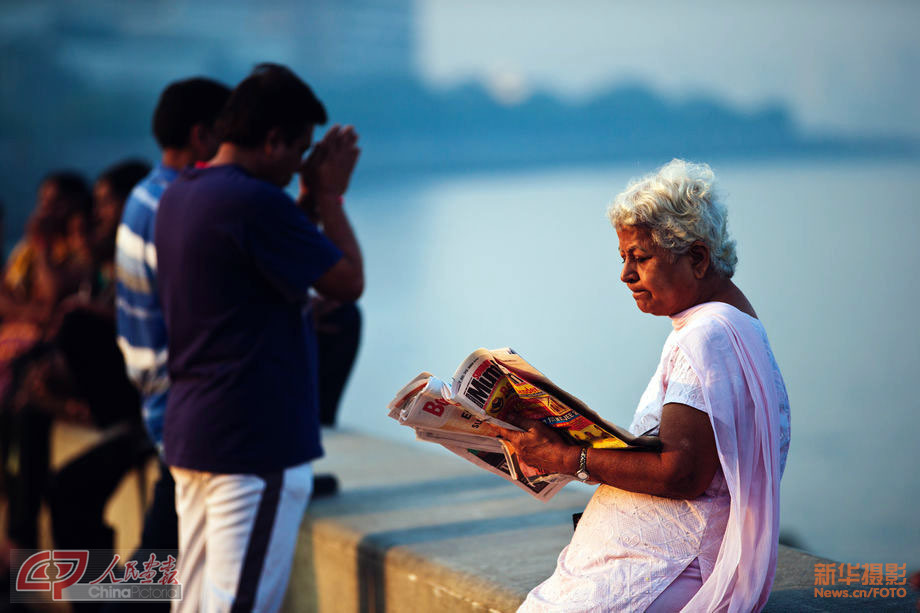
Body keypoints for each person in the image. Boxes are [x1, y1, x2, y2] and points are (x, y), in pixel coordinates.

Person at [485, 159, 791, 612]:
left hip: (668, 571)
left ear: (698, 258)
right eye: (624, 257)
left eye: (641, 258)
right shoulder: (738, 328)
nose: (625, 274)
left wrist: (571, 459)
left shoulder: (705, 334)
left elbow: (683, 473)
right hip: (658, 564)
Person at [154, 63, 364, 612]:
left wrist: (304, 196)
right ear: (273, 140)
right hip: (253, 445)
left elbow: (270, 248)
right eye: (299, 150)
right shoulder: (252, 203)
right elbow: (346, 282)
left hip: (195, 432)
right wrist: (331, 195)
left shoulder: (184, 193)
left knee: (195, 602)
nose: (302, 163)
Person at [113, 76, 231, 607]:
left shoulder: (146, 194)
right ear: (203, 136)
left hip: (160, 400)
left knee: (165, 565)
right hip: (183, 411)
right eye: (230, 133)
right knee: (159, 571)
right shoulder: (178, 207)